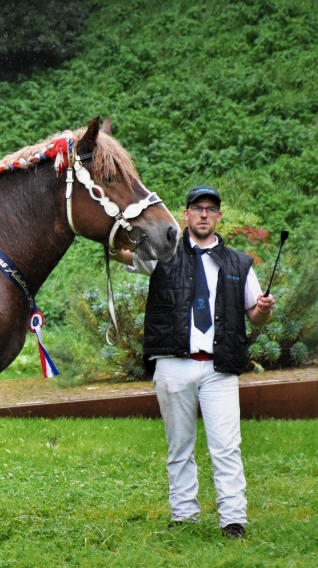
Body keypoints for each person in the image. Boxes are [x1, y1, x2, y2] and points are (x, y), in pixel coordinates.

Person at [114, 185, 275, 540]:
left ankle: (233, 520)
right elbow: (124, 255)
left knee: (227, 447)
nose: (204, 214)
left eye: (210, 209)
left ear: (218, 216)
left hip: (220, 368)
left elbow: (256, 316)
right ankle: (184, 515)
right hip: (174, 363)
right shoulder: (163, 252)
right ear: (185, 214)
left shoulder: (239, 263)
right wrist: (112, 235)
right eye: (197, 208)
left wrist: (263, 310)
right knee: (179, 447)